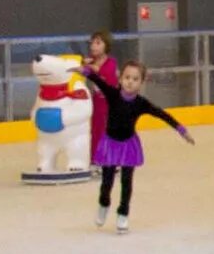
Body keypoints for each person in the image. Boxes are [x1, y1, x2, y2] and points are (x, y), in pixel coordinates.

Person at [77, 38, 195, 232]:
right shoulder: (113, 94)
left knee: (126, 183)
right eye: (127, 78)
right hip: (110, 144)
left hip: (128, 146)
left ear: (141, 82)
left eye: (135, 79)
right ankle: (103, 204)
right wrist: (85, 71)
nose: (130, 82)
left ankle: (123, 214)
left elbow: (162, 114)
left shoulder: (141, 103)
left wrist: (181, 130)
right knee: (106, 182)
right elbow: (97, 80)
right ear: (121, 78)